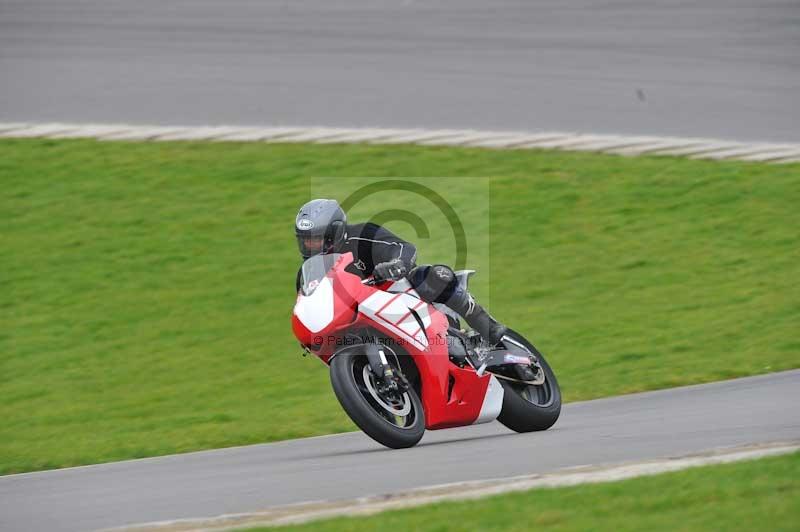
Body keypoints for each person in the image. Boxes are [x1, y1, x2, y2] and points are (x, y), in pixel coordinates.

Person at [294, 198, 507, 346]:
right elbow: (310, 304)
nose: (311, 247)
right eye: (306, 241)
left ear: (335, 232)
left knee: (431, 275)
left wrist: (396, 264)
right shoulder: (310, 275)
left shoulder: (362, 234)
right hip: (362, 321)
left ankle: (485, 324)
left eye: (316, 240)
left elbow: (404, 248)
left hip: (397, 295)